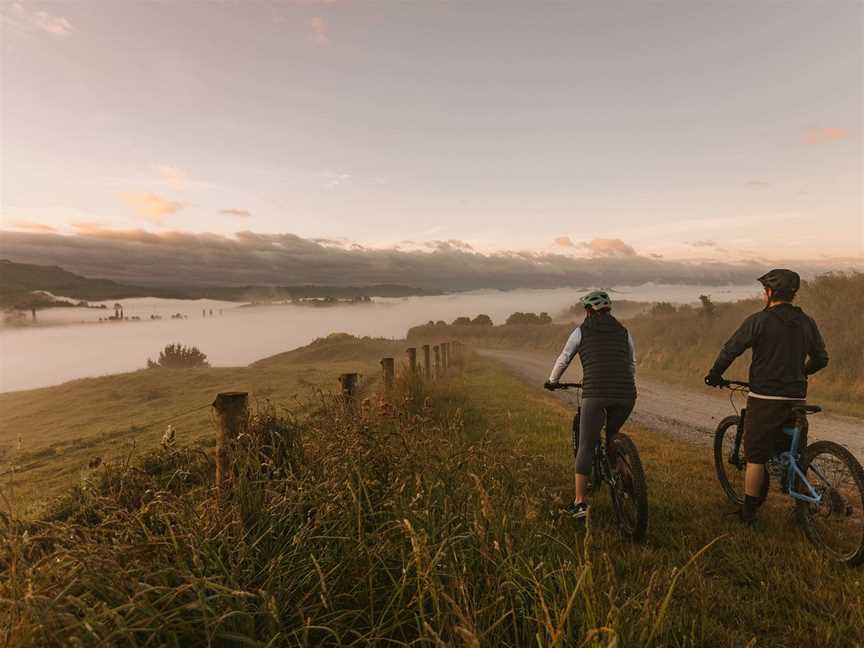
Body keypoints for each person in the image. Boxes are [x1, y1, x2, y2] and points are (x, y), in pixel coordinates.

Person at [704, 269, 828, 524]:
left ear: (770, 293)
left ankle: (748, 513)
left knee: (755, 456)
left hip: (765, 399)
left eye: (765, 291)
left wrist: (715, 374)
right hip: (796, 399)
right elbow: (821, 358)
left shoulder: (758, 321)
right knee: (794, 455)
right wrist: (800, 371)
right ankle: (801, 507)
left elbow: (731, 350)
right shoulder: (807, 322)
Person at [544, 290, 637, 518]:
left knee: (586, 444)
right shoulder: (624, 332)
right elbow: (632, 363)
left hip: (595, 393)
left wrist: (552, 381)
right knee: (613, 435)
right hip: (626, 394)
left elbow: (564, 358)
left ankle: (580, 503)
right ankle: (626, 478)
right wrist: (626, 383)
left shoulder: (581, 331)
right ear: (608, 310)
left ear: (588, 311)